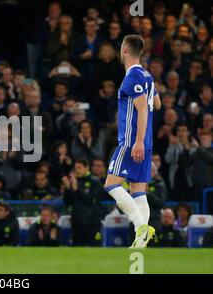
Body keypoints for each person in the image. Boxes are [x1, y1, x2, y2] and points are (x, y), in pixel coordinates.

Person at [104, 34, 162, 249]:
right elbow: (157, 103)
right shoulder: (147, 76)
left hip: (131, 141)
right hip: (146, 142)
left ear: (125, 50)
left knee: (111, 185)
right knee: (138, 190)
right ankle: (140, 243)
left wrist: (137, 141)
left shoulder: (132, 77)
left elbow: (143, 109)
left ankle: (140, 227)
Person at [63, 159, 105, 246]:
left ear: (87, 168)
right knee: (77, 253)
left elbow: (91, 201)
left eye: (79, 168)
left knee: (96, 252)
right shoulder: (74, 181)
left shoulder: (95, 181)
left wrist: (77, 189)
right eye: (75, 168)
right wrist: (67, 189)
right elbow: (68, 203)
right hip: (77, 223)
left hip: (92, 224)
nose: (77, 170)